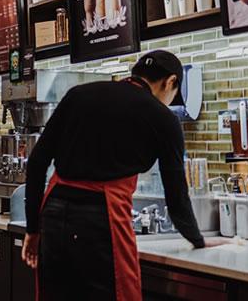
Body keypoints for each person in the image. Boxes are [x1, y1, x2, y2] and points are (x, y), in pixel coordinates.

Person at [21, 50, 229, 300]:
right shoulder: (163, 118)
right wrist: (197, 240)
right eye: (173, 94)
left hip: (53, 214)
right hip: (101, 218)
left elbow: (36, 163)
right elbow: (176, 195)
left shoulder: (79, 95)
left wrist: (33, 230)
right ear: (170, 82)